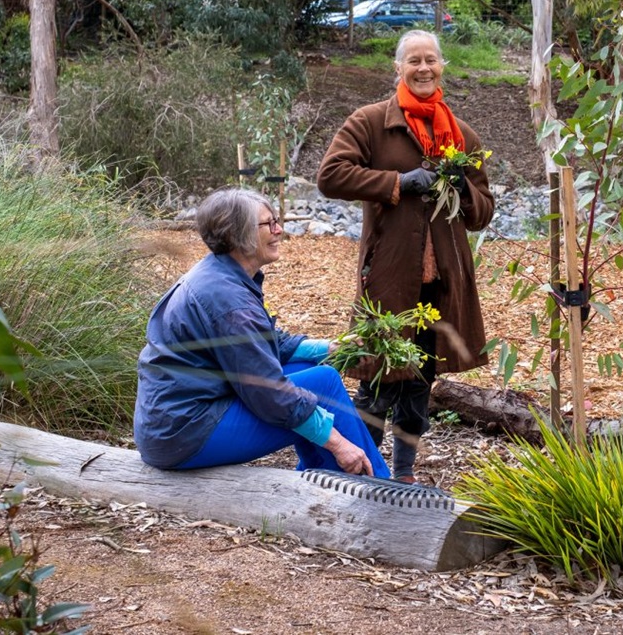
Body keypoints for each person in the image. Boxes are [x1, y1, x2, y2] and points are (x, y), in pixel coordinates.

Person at [316, 29, 495, 484]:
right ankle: (358, 469)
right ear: (397, 68)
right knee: (378, 374)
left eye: (430, 60)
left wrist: (463, 190)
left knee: (419, 381)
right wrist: (398, 183)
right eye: (413, 61)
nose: (422, 68)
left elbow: (483, 212)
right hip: (389, 277)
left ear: (442, 67)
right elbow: (331, 176)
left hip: (441, 282)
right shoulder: (371, 122)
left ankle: (404, 474)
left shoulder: (460, 135)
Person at [134, 187, 390, 478]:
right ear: (238, 233)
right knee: (323, 383)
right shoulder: (230, 301)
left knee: (309, 368)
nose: (279, 230)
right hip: (184, 433)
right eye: (269, 223)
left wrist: (329, 348)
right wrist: (340, 444)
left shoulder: (220, 274)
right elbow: (268, 393)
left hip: (172, 423)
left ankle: (322, 480)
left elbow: (264, 343)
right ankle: (382, 492)